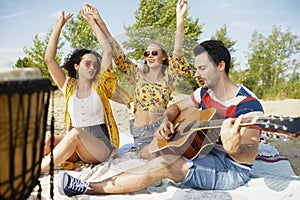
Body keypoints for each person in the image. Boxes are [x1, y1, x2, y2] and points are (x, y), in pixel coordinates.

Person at [57, 40, 265, 196]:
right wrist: (166, 119)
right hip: (204, 154)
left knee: (164, 162)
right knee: (156, 153)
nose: (196, 74)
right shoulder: (204, 93)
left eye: (202, 68)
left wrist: (233, 147)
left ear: (220, 66)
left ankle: (90, 188)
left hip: (230, 169)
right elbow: (175, 107)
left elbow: (248, 155)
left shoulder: (247, 105)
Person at [81, 1, 192, 158]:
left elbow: (178, 50)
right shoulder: (137, 76)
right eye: (147, 54)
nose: (150, 56)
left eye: (154, 53)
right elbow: (115, 49)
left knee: (157, 158)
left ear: (163, 57)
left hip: (159, 131)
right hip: (140, 134)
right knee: (149, 157)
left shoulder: (169, 78)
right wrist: (98, 20)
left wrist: (180, 19)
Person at [41, 8, 120, 173]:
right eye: (87, 63)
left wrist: (93, 22)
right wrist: (58, 26)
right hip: (77, 145)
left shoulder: (100, 84)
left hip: (100, 146)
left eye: (95, 64)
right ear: (76, 66)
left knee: (76, 134)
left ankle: (35, 171)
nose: (93, 67)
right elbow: (49, 60)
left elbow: (108, 51)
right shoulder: (68, 86)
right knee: (47, 139)